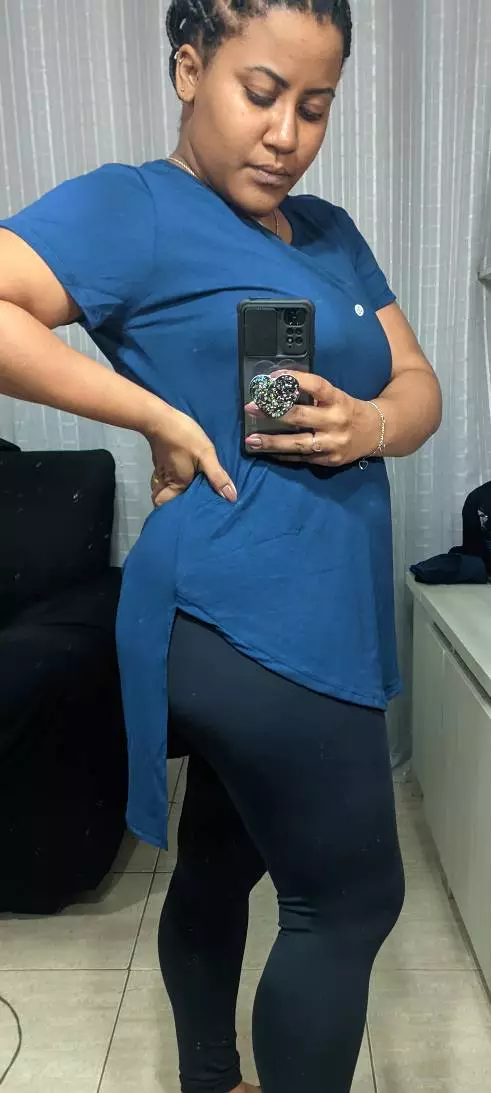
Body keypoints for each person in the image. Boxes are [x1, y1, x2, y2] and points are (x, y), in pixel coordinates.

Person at [0, 0, 442, 1089]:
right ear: (190, 70)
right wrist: (150, 414)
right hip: (242, 612)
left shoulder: (327, 232)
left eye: (314, 107)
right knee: (350, 901)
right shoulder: (138, 206)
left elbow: (416, 382)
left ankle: (210, 1078)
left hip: (311, 600)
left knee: (218, 861)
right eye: (260, 94)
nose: (286, 134)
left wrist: (371, 423)